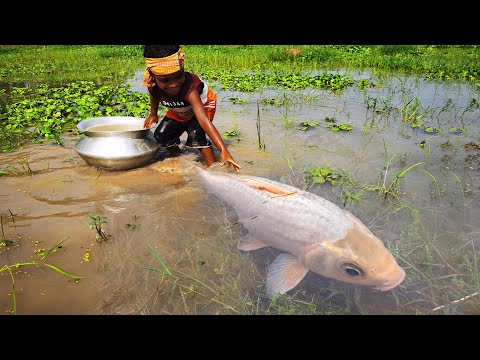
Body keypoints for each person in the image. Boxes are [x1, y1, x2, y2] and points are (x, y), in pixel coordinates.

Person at [141, 45, 241, 172]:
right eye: (165, 80)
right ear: (152, 76)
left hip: (203, 106)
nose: (174, 84)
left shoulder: (190, 88)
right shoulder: (153, 84)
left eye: (178, 76)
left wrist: (224, 150)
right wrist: (153, 114)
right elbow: (154, 95)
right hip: (180, 108)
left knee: (196, 134)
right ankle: (179, 157)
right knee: (161, 135)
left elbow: (203, 119)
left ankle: (213, 169)